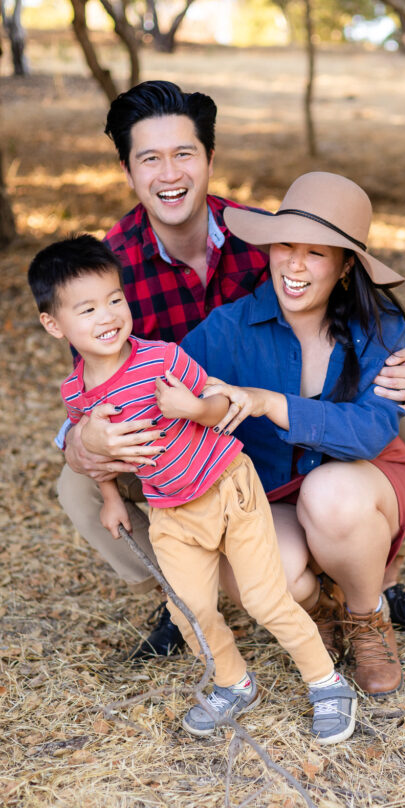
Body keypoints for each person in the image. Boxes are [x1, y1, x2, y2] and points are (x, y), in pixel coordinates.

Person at [57, 80, 405, 660]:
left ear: (209, 159)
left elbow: (358, 317)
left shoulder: (270, 237)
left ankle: (380, 581)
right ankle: (183, 592)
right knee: (77, 480)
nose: (169, 173)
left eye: (184, 154)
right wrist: (79, 438)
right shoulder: (109, 269)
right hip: (184, 421)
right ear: (128, 170)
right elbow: (93, 375)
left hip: (279, 411)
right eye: (150, 158)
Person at [29, 235, 357, 744]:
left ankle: (326, 682)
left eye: (115, 299)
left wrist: (191, 408)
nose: (108, 316)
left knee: (265, 599)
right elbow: (98, 458)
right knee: (189, 609)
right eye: (88, 308)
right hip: (171, 511)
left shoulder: (160, 358)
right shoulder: (76, 392)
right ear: (55, 325)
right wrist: (113, 498)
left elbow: (219, 405)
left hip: (228, 488)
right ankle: (233, 682)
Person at [179, 172, 405, 695]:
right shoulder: (227, 329)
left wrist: (273, 404)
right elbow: (161, 385)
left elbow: (368, 432)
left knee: (331, 492)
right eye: (285, 246)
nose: (294, 265)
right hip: (269, 490)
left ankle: (366, 616)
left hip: (359, 483)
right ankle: (321, 608)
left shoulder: (377, 326)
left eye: (316, 253)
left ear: (344, 268)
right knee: (258, 571)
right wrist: (92, 426)